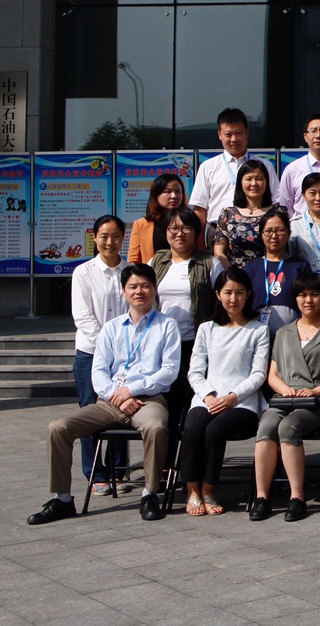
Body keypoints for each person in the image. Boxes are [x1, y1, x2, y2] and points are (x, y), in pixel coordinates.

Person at [29, 263, 179, 525]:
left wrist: (132, 390)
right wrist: (118, 396)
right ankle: (62, 499)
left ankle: (150, 494)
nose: (139, 291)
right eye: (133, 286)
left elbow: (169, 371)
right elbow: (98, 372)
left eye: (145, 286)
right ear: (123, 291)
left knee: (156, 428)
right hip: (111, 401)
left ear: (155, 289)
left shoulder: (167, 325)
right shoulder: (111, 328)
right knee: (58, 428)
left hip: (148, 400)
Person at [250, 271, 320, 522]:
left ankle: (297, 497)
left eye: (314, 294)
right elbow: (272, 375)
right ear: (295, 298)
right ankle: (262, 497)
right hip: (286, 397)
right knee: (266, 426)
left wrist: (315, 390)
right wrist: (285, 389)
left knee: (289, 426)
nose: (308, 300)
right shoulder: (283, 332)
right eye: (302, 295)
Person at [180, 268, 270, 516]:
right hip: (207, 397)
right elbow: (195, 371)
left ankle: (209, 487)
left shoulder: (258, 330)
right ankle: (192, 489)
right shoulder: (206, 329)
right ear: (217, 294)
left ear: (248, 294)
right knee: (192, 427)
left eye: (239, 292)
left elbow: (258, 374)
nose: (233, 298)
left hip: (243, 401)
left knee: (216, 429)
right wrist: (209, 396)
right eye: (228, 292)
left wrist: (233, 397)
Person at [70, 215, 130, 495]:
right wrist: (107, 348)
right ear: (94, 237)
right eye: (104, 236)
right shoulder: (83, 272)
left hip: (124, 357)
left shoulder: (129, 272)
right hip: (90, 353)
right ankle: (95, 474)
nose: (110, 242)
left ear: (123, 238)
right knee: (89, 412)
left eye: (116, 236)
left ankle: (118, 470)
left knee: (120, 410)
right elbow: (83, 317)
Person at [150, 208, 225, 420]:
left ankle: (189, 440)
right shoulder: (156, 262)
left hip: (195, 341)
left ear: (196, 232)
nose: (180, 233)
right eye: (173, 228)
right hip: (162, 343)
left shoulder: (210, 264)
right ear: (166, 232)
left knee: (191, 395)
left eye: (186, 228)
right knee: (167, 398)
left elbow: (222, 301)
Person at [190, 107, 278, 226]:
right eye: (228, 134)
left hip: (256, 228)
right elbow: (200, 209)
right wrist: (200, 238)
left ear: (247, 132)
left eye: (239, 133)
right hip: (217, 229)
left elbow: (276, 201)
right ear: (220, 135)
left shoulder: (265, 165)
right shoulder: (207, 167)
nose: (234, 139)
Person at [242, 211, 311, 331]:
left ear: (288, 233)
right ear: (261, 234)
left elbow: (307, 301)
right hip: (255, 333)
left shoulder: (300, 266)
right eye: (268, 231)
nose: (274, 236)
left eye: (279, 230)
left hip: (292, 334)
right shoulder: (251, 269)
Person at [213, 160, 288, 270]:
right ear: (240, 183)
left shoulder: (279, 212)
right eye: (249, 179)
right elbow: (219, 252)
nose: (254, 183)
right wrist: (232, 274)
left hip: (271, 274)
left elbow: (287, 248)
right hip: (236, 276)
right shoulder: (228, 214)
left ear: (266, 182)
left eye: (259, 178)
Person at [129, 173, 185, 264]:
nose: (174, 196)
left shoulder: (190, 221)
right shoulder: (141, 224)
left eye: (178, 191)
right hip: (152, 272)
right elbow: (133, 261)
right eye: (168, 191)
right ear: (156, 195)